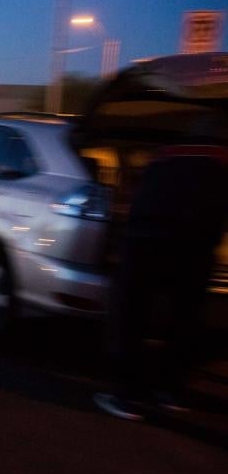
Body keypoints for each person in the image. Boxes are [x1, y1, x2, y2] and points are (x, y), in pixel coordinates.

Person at [94, 133, 228, 422]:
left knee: (132, 316)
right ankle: (171, 392)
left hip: (146, 241)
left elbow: (133, 198)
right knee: (184, 320)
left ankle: (124, 395)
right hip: (197, 248)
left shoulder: (160, 153)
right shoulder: (221, 159)